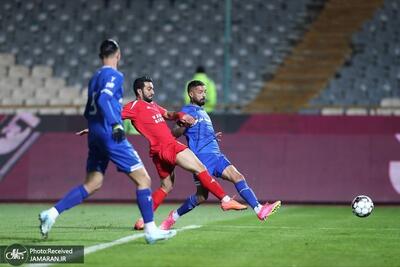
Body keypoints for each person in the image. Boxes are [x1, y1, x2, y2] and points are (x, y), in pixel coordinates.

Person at [38, 39, 176, 244]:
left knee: (93, 183)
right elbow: (104, 100)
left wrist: (95, 128)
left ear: (101, 55)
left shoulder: (94, 77)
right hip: (110, 133)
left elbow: (88, 108)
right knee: (144, 180)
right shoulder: (115, 75)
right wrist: (115, 124)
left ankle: (52, 213)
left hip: (96, 133)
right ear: (118, 55)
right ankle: (150, 230)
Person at [121, 76, 247, 230]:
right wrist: (96, 129)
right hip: (168, 145)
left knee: (166, 186)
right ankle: (225, 199)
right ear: (139, 91)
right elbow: (113, 116)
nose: (153, 91)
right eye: (149, 89)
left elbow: (167, 114)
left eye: (153, 88)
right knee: (200, 168)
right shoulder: (133, 106)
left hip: (157, 152)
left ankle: (143, 220)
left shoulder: (152, 105)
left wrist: (180, 115)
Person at [158, 80, 281, 230]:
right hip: (201, 159)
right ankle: (172, 218)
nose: (203, 95)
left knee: (238, 177)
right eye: (200, 92)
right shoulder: (187, 111)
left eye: (204, 92)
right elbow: (174, 134)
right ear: (190, 94)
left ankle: (259, 209)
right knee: (201, 197)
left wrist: (211, 136)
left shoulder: (203, 112)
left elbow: (198, 131)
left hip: (217, 155)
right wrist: (183, 123)